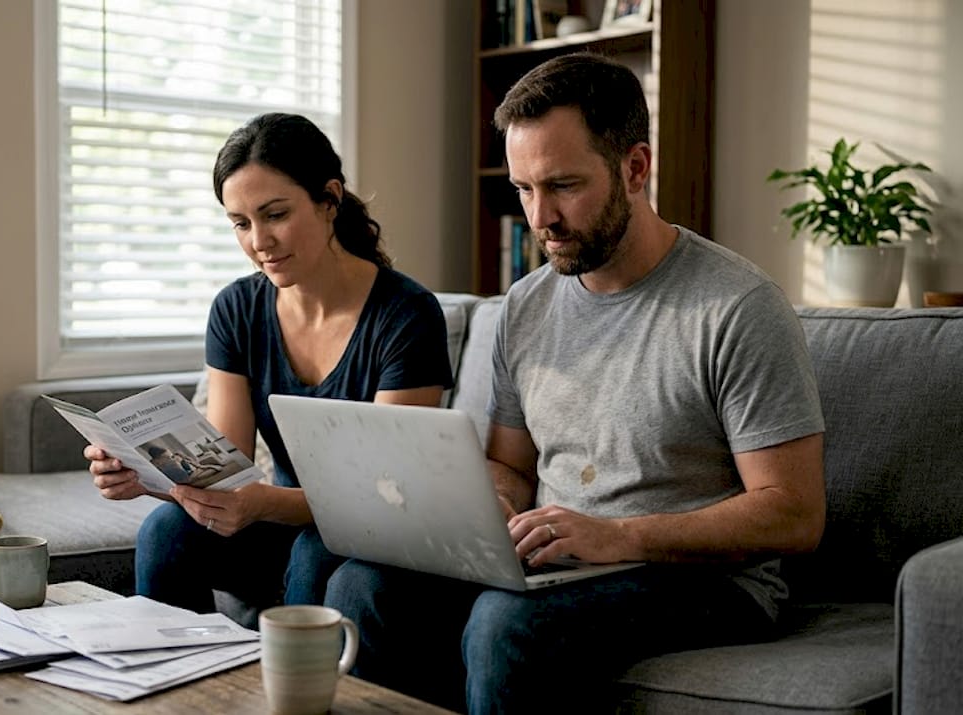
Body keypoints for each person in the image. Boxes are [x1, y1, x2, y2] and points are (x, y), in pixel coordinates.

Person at [324, 53, 826, 713]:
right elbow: (510, 464)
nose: (541, 217)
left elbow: (794, 511)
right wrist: (490, 511)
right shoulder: (524, 307)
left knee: (506, 624)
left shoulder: (736, 306)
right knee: (360, 586)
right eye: (524, 189)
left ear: (636, 168)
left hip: (703, 578)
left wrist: (619, 535)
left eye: (563, 185)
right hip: (560, 561)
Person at [86, 112, 455, 614]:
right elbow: (224, 468)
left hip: (368, 534)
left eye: (275, 214)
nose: (258, 242)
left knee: (315, 549)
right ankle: (174, 685)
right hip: (280, 525)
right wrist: (145, 476)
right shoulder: (236, 309)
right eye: (241, 223)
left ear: (329, 199)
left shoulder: (407, 315)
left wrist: (262, 502)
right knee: (166, 531)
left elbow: (386, 495)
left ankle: (293, 690)